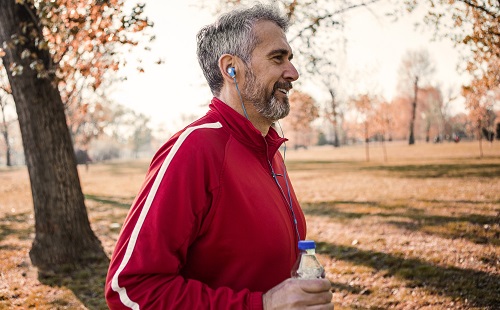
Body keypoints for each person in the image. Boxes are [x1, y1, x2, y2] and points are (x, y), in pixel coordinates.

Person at [105, 3, 333, 309]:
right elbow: (130, 289)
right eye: (277, 58)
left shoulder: (269, 148)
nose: (293, 72)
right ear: (231, 68)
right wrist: (260, 305)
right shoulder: (195, 149)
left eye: (290, 59)